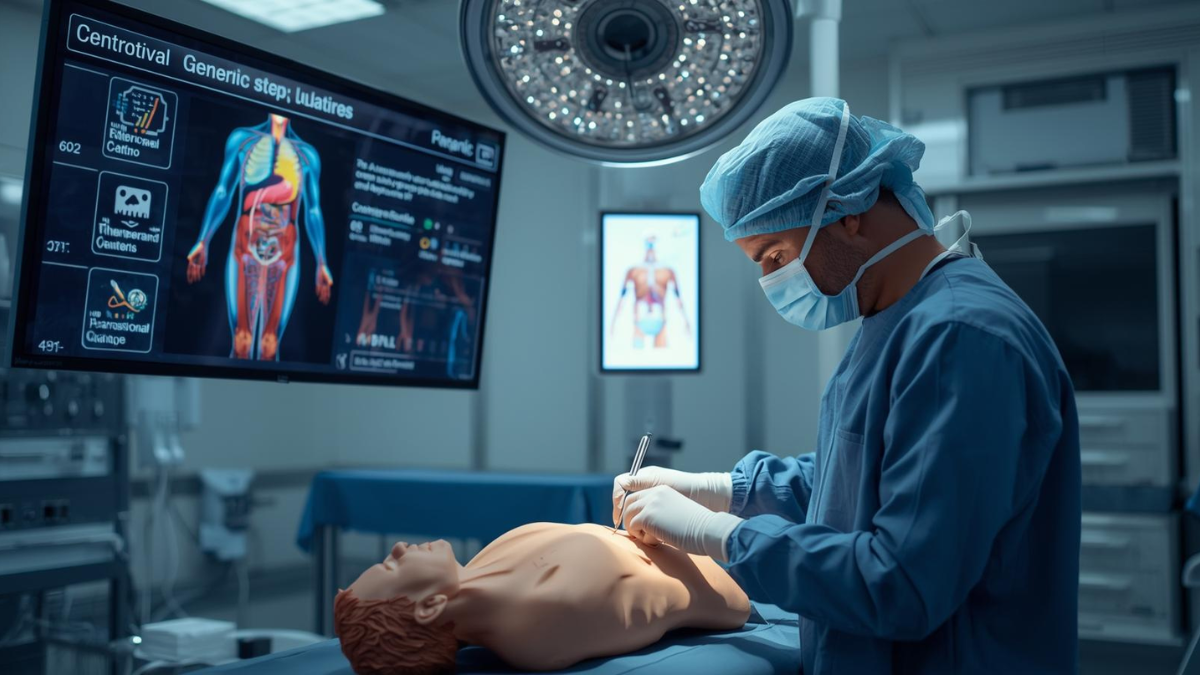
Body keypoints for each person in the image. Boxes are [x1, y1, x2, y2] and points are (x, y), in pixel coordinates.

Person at [613, 97, 1081, 673]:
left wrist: (725, 536)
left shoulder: (961, 338)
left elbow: (904, 582)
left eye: (775, 255)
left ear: (846, 213)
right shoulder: (895, 318)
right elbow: (860, 479)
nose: (771, 281)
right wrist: (722, 489)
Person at [333, 522, 749, 674]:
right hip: (726, 570)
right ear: (429, 606)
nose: (401, 547)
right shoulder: (549, 618)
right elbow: (726, 602)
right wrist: (696, 528)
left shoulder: (484, 563)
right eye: (392, 566)